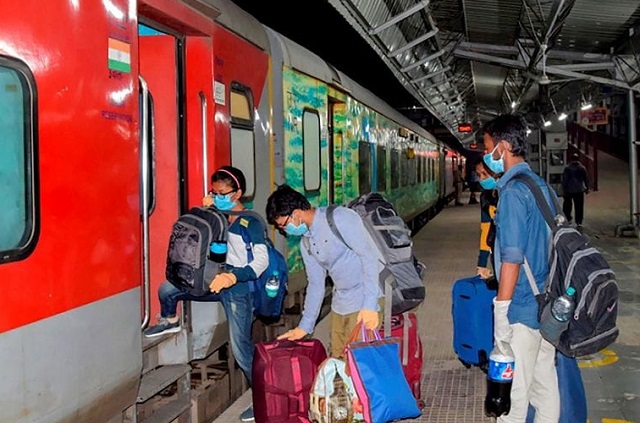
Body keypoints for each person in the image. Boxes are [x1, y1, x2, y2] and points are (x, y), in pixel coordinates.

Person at [144, 165, 265, 422]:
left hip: (237, 288)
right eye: (214, 192)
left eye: (223, 193)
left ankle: (262, 399)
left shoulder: (250, 222)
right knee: (167, 289)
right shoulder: (216, 216)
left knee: (241, 348)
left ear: (237, 193)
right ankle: (170, 320)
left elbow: (260, 262)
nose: (218, 197)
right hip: (212, 281)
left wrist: (234, 276)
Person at [485, 114, 560, 423]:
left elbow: (512, 258)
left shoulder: (514, 193)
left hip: (522, 309)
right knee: (544, 388)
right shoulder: (542, 187)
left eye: (488, 148)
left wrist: (502, 311)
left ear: (503, 147)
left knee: (512, 400)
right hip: (547, 305)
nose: (487, 155)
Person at [265, 185, 382, 358]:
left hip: (364, 297)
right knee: (337, 361)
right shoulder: (306, 243)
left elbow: (369, 257)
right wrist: (305, 326)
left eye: (283, 225)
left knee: (359, 363)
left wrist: (370, 305)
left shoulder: (340, 218)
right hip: (341, 304)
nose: (284, 230)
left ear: (296, 214)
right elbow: (316, 284)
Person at [474, 155, 500, 280]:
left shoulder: (509, 193)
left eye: (484, 174)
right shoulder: (485, 198)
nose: (481, 179)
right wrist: (482, 264)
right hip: (498, 253)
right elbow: (485, 229)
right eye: (479, 175)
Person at [561, 153, 589, 228]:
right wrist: (587, 188)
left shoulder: (567, 168)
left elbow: (564, 180)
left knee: (567, 206)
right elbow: (586, 179)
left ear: (571, 159)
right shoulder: (582, 168)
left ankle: (568, 218)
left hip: (569, 190)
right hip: (579, 190)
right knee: (579, 206)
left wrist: (563, 189)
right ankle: (579, 221)